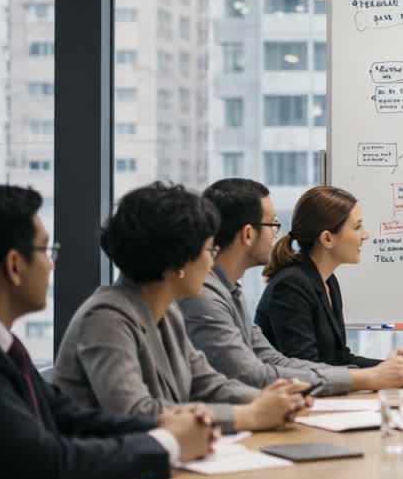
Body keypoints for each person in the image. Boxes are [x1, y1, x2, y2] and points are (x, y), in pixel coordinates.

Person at [0, 185, 216, 479]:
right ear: (14, 265)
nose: (52, 265)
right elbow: (46, 462)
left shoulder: (2, 346)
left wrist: (160, 423)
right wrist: (168, 443)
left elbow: (66, 416)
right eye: (46, 250)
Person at [55, 182, 308, 434]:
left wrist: (272, 401)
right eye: (209, 250)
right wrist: (250, 415)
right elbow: (135, 412)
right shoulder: (105, 319)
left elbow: (207, 384)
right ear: (178, 261)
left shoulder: (167, 312)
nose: (212, 262)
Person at [181, 179, 403, 393]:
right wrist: (369, 377)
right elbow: (252, 374)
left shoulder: (230, 292)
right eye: (272, 224)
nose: (276, 233)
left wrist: (385, 370)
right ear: (248, 234)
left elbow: (273, 359)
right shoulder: (207, 297)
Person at [257, 186, 403, 370]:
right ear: (327, 238)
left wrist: (394, 367)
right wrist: (382, 374)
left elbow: (340, 358)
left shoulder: (328, 281)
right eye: (357, 227)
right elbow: (307, 370)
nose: (365, 235)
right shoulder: (290, 286)